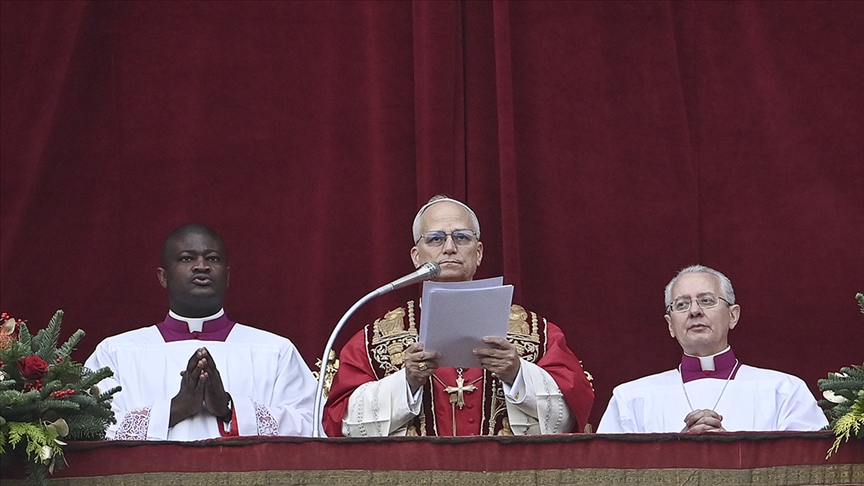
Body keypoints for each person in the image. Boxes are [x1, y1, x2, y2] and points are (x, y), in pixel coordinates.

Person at [323, 196, 594, 437]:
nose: (450, 247)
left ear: (479, 253)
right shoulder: (374, 340)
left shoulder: (537, 333)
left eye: (462, 237)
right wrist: (406, 383)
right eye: (436, 239)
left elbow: (573, 414)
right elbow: (340, 422)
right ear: (417, 256)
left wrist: (518, 374)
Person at [85, 223, 316, 440]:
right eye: (187, 258)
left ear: (227, 276)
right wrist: (174, 409)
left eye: (212, 258)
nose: (202, 266)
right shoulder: (115, 353)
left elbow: (311, 426)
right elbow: (88, 428)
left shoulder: (275, 351)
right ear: (163, 277)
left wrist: (229, 408)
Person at [597, 265, 827, 434]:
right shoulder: (630, 398)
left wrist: (731, 454)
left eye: (707, 301)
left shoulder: (785, 391)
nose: (694, 311)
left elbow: (807, 470)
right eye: (681, 304)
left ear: (733, 315)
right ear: (670, 325)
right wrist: (677, 453)